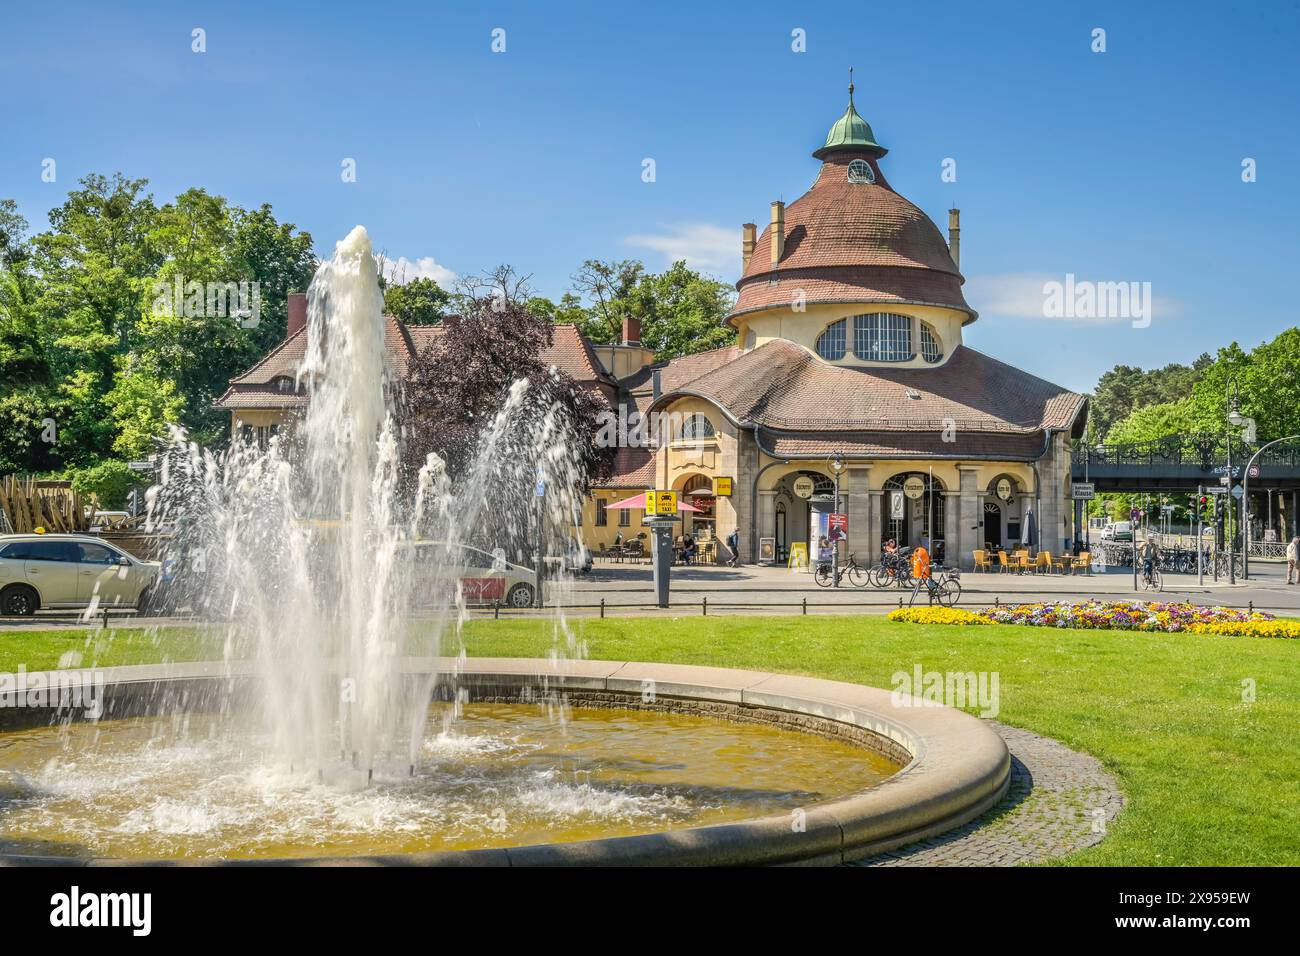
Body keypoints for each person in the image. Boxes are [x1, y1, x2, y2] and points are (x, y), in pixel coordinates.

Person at [908, 537, 938, 606]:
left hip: (926, 565)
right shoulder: (919, 551)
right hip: (923, 567)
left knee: (929, 578)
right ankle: (931, 591)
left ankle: (932, 591)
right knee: (928, 578)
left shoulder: (922, 551)